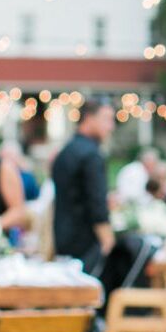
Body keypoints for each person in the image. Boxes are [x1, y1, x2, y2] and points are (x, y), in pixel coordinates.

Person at [51, 99, 116, 275]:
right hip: (85, 241)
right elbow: (97, 203)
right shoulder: (91, 156)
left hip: (61, 236)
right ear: (89, 118)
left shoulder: (64, 152)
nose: (111, 126)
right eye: (107, 119)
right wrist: (107, 239)